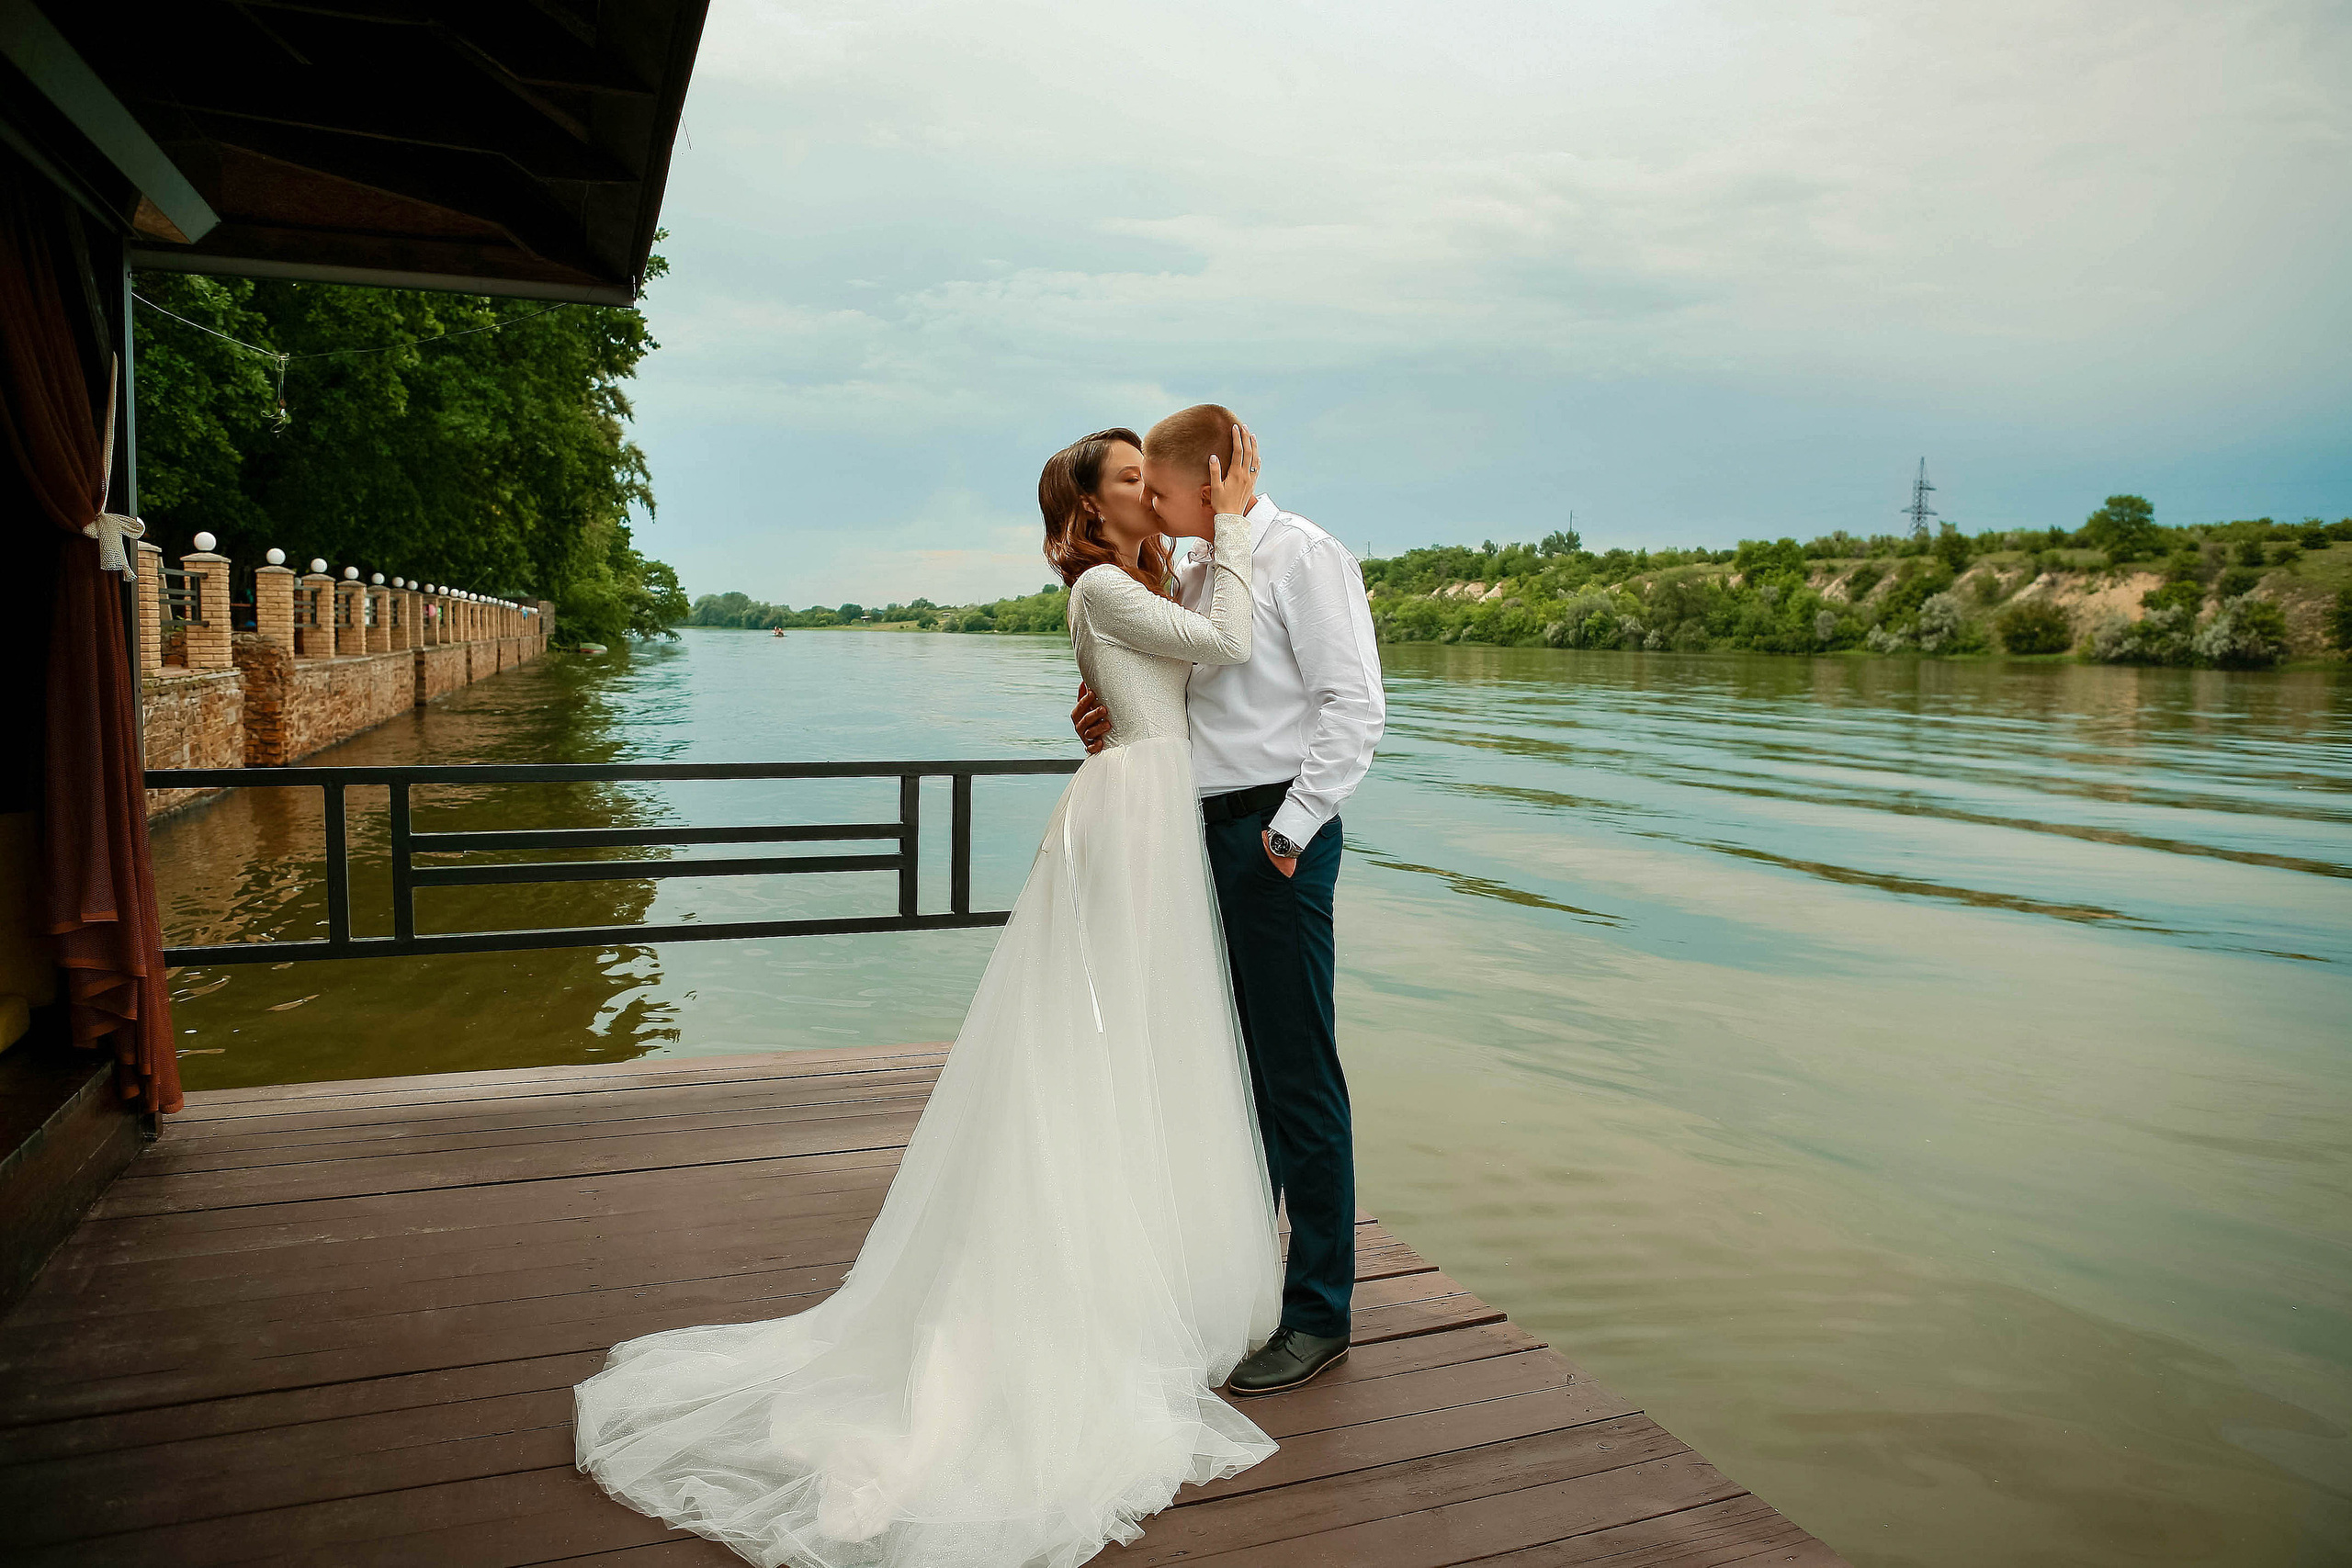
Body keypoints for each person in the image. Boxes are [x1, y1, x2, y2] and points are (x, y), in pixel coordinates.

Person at [574, 424, 1282, 1568]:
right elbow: (1229, 642)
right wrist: (1237, 514)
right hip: (1136, 813)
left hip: (1147, 798)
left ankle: (1141, 1266)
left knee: (1145, 1042)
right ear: (1090, 514)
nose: (1149, 489)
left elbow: (1178, 669)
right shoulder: (1104, 585)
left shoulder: (1129, 582)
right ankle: (1069, 1292)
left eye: (1151, 476)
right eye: (1127, 480)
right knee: (1099, 1044)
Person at [1072, 403, 1385, 1397]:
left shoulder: (1303, 554)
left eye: (1159, 495)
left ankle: (1318, 1314)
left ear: (1204, 484)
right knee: (1227, 1073)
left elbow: (1355, 705)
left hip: (1272, 836)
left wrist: (1288, 833)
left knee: (1296, 1076)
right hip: (1196, 831)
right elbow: (1190, 685)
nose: (1153, 516)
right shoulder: (1206, 566)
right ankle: (1243, 1287)